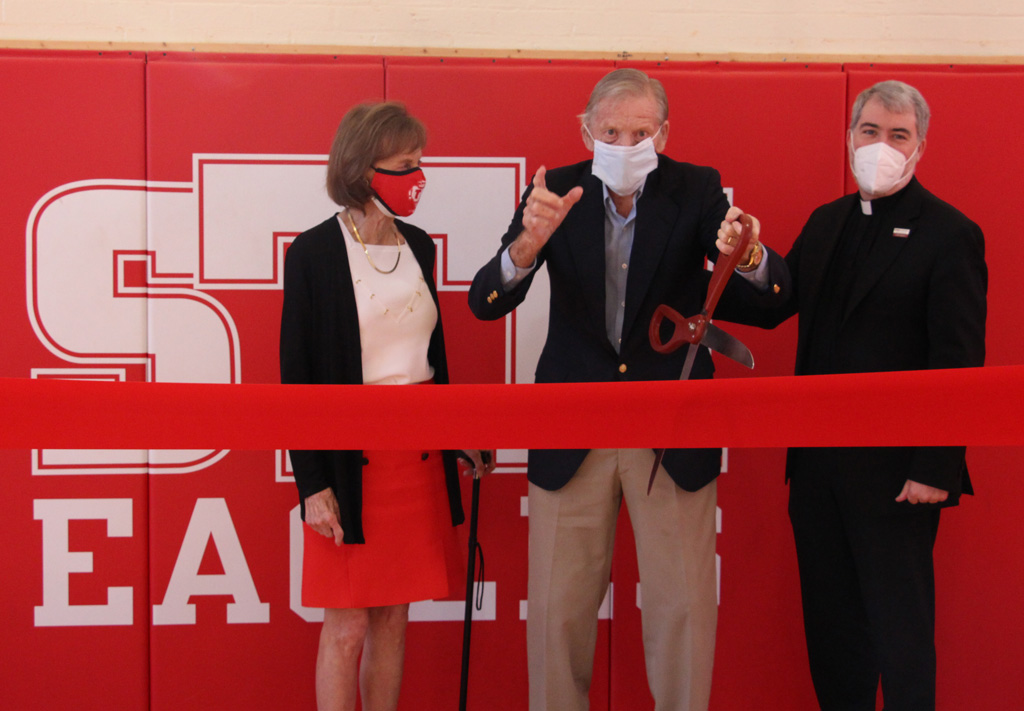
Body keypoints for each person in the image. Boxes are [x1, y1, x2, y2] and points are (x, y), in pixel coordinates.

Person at [468, 68, 788, 711]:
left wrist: (746, 253)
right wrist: (528, 244)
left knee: (682, 612)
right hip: (572, 431)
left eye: (640, 132)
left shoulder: (696, 188)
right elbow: (485, 300)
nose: (625, 143)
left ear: (663, 134)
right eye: (611, 131)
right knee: (556, 615)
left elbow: (775, 299)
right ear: (585, 131)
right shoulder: (555, 190)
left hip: (670, 430)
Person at [728, 80, 987, 710]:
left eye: (898, 135)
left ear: (920, 147)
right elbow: (777, 305)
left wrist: (936, 468)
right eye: (870, 131)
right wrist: (750, 260)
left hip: (899, 478)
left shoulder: (951, 233)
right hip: (817, 473)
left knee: (901, 636)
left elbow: (958, 362)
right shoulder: (828, 221)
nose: (881, 145)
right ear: (849, 138)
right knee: (833, 635)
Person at [280, 101, 494, 711]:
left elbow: (431, 356)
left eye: (419, 163)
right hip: (348, 460)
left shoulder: (420, 246)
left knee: (394, 619)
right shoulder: (313, 253)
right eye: (403, 166)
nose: (417, 178)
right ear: (361, 169)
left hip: (417, 458)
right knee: (346, 625)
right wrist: (312, 484)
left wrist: (456, 433)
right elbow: (296, 378)